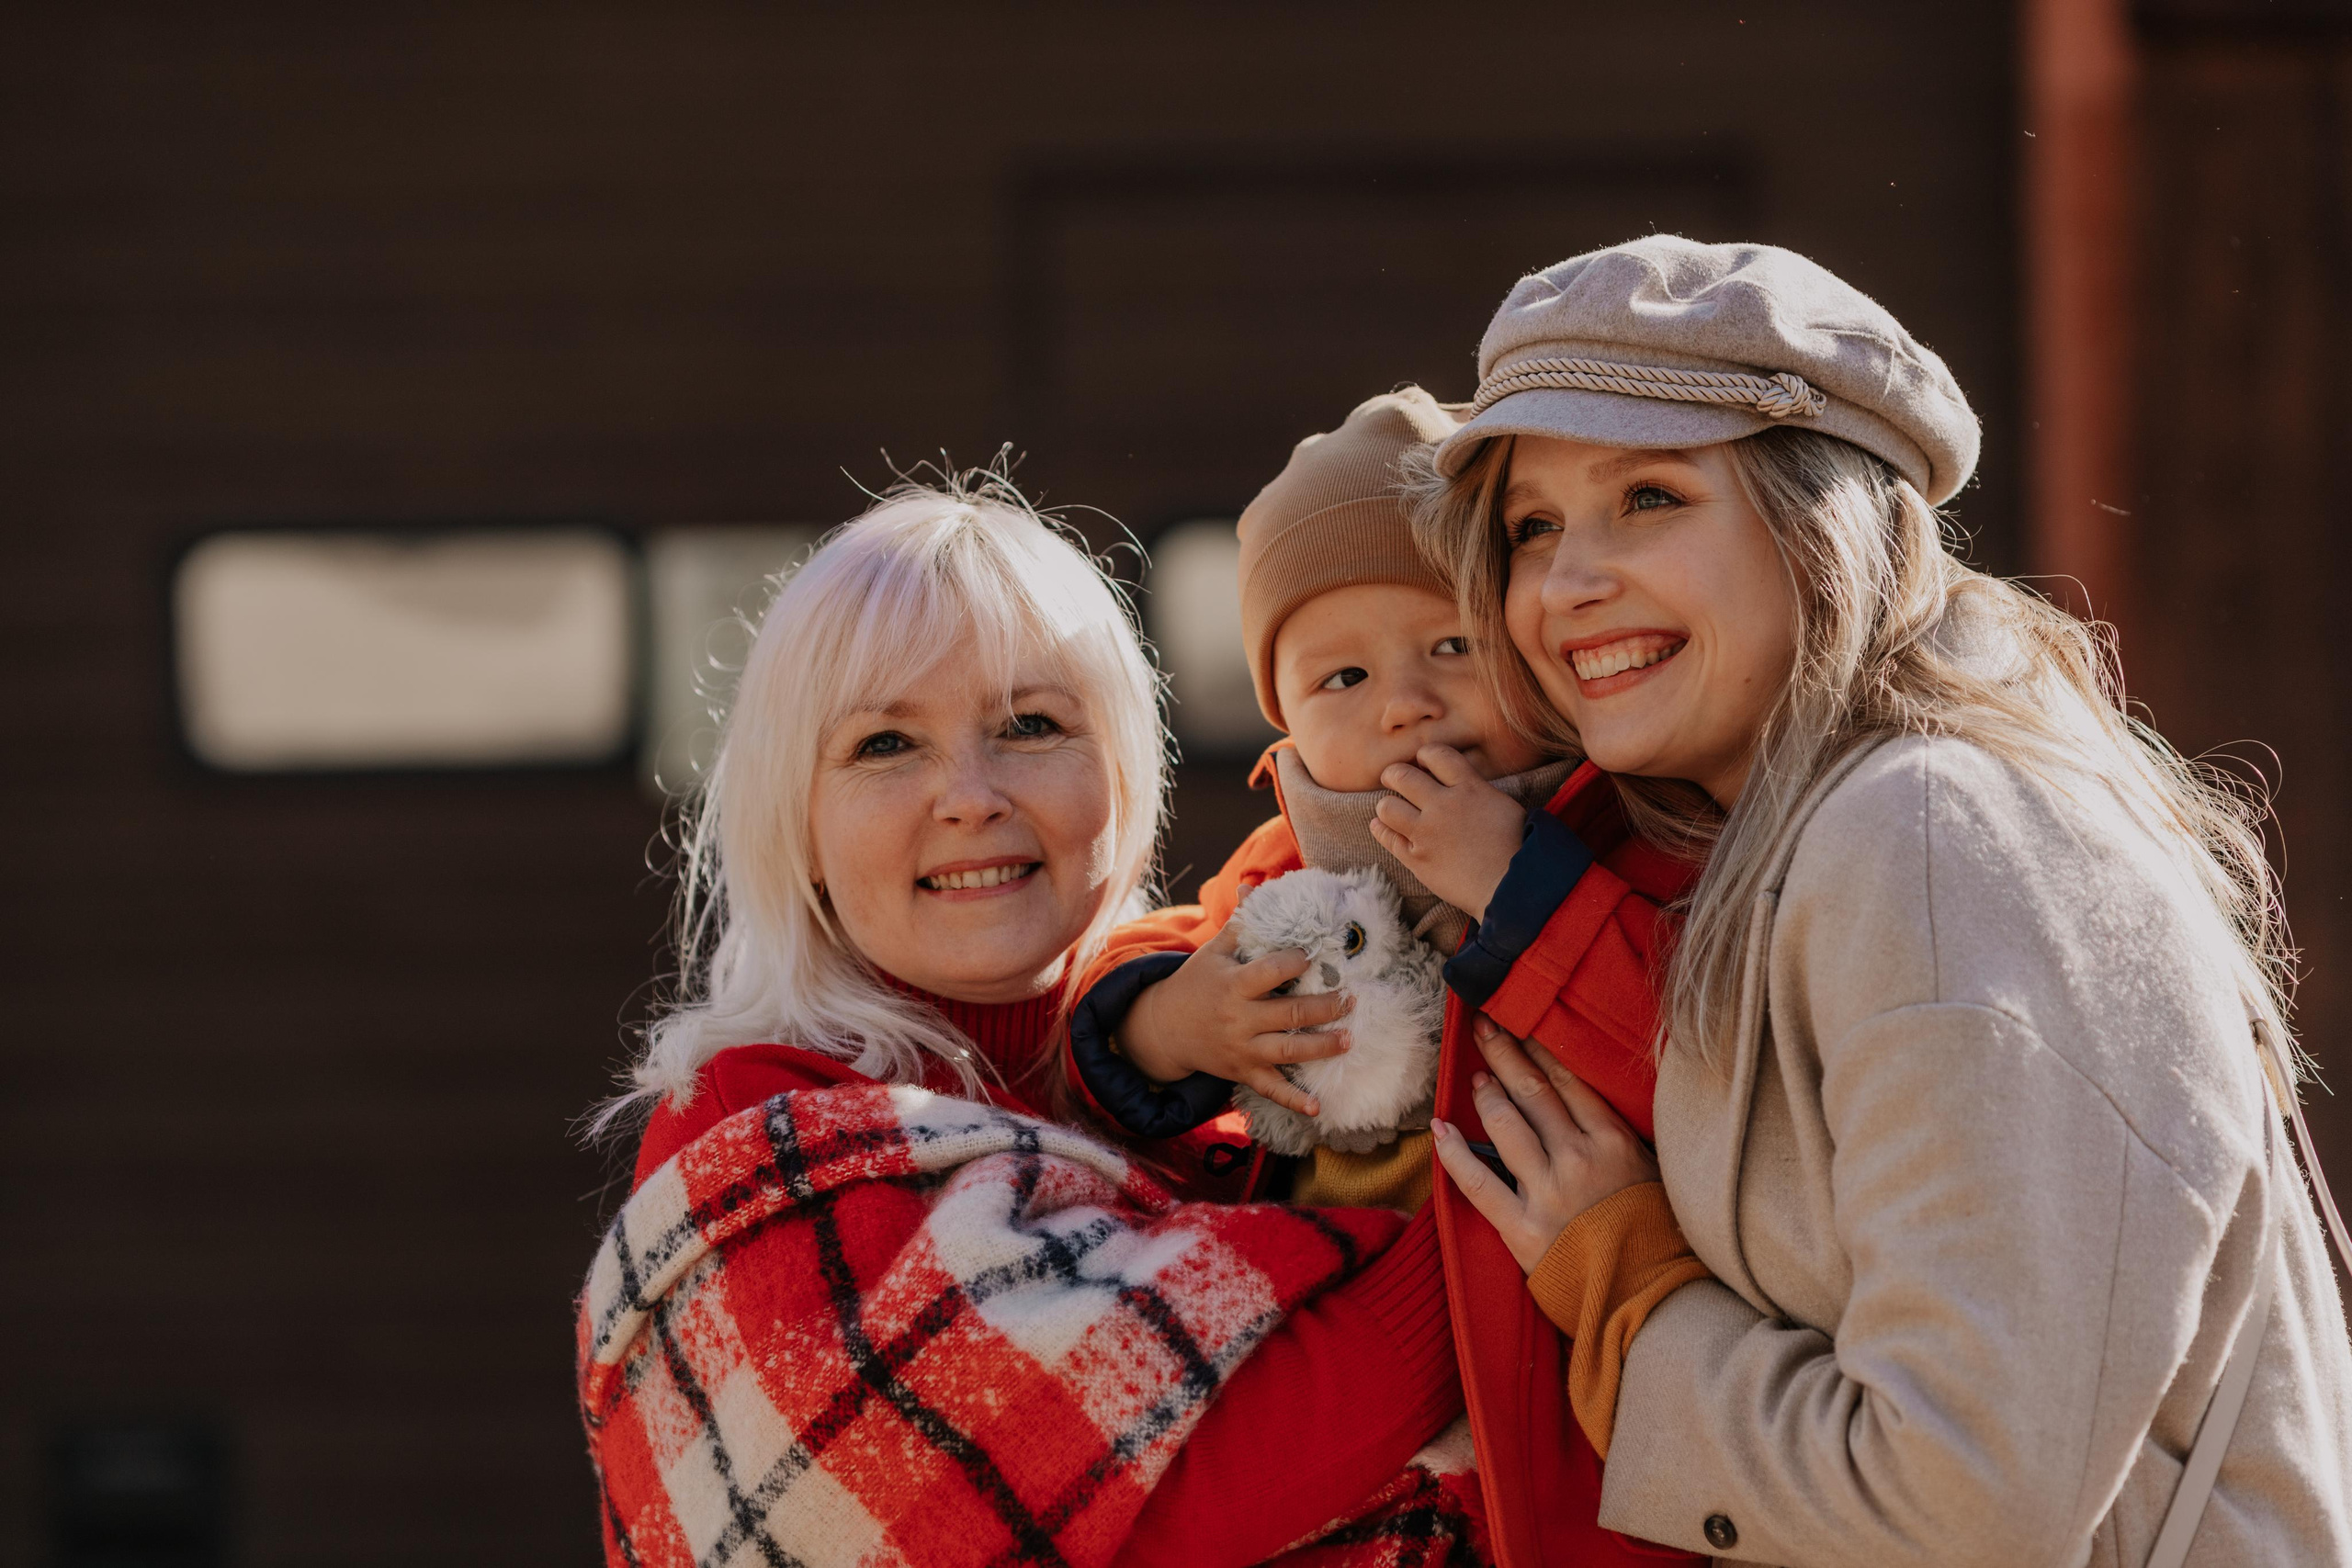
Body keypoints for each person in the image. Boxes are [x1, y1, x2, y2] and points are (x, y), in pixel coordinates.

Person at [1409, 234, 2352, 1565]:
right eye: (1532, 527)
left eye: (1653, 498)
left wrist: (1629, 1292)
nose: (1567, 583)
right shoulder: (1851, 824)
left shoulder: (1923, 830)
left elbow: (1963, 1494)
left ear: (1818, 521)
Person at [575, 474, 1476, 1568]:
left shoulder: (1230, 1056)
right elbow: (1177, 1484)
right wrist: (1501, 1245)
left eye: (1030, 725)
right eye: (884, 746)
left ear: (1123, 773)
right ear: (796, 821)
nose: (969, 794)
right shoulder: (750, 1121)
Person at [1062, 389, 1707, 1568]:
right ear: (1287, 722)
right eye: (1339, 681)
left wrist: (1518, 886)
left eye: (1450, 649)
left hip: (1555, 1390)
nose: (1402, 702)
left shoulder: (1619, 829)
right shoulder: (1286, 863)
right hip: (1335, 1385)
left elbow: (1691, 1053)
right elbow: (1137, 963)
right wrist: (1163, 1021)